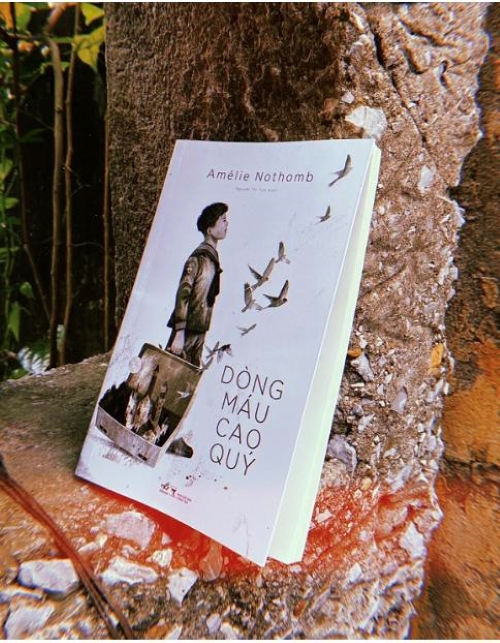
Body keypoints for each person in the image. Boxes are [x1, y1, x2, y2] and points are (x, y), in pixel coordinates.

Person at [167, 202, 229, 367]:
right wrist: (179, 333)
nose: (227, 223)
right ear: (210, 230)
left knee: (190, 375)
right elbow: (183, 294)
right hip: (186, 333)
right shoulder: (198, 259)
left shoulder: (212, 260)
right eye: (223, 219)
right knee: (171, 373)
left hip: (200, 332)